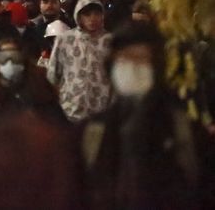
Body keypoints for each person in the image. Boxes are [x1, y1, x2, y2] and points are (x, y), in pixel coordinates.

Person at [78, 21, 214, 209]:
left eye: (141, 59)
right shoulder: (93, 132)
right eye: (124, 60)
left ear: (157, 65)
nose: (132, 67)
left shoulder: (184, 130)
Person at [0, 39, 66, 129]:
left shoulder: (41, 89)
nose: (10, 63)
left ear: (23, 59)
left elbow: (57, 122)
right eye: (3, 58)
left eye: (15, 57)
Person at [46, 0, 111, 122]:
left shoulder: (110, 41)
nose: (92, 18)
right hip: (70, 110)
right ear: (79, 16)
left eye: (96, 14)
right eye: (87, 15)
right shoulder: (65, 39)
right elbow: (53, 74)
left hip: (101, 112)